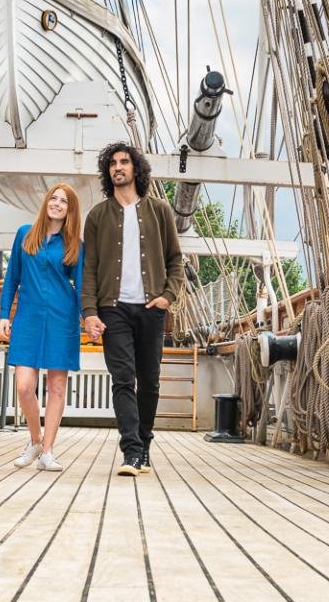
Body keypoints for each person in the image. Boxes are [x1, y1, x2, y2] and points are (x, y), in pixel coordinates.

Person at [81, 142, 186, 477]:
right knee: (123, 379)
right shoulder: (97, 216)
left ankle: (144, 443)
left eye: (124, 162)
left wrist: (168, 296)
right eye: (112, 163)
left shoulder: (159, 211)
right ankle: (132, 452)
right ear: (107, 171)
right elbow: (90, 270)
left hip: (151, 307)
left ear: (136, 169)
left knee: (150, 382)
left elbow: (175, 260)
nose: (117, 167)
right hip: (114, 309)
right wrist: (89, 311)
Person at [0, 183, 84, 472]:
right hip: (28, 319)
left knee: (56, 387)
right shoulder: (25, 234)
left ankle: (47, 452)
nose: (57, 204)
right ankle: (35, 440)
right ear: (47, 202)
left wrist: (89, 317)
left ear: (70, 210)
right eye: (54, 198)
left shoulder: (75, 245)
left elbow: (83, 285)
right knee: (24, 387)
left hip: (62, 318)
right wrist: (3, 315)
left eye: (64, 201)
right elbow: (12, 278)